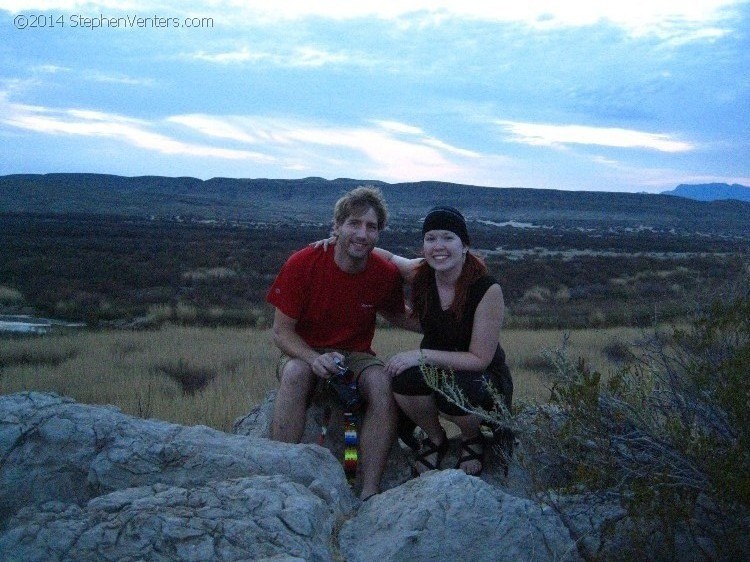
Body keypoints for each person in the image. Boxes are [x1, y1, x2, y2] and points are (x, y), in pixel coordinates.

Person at [266, 186, 408, 500]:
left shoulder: (383, 273)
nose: (362, 233)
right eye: (354, 224)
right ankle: (278, 477)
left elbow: (402, 316)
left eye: (371, 227)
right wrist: (313, 358)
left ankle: (367, 491)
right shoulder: (303, 263)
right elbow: (281, 332)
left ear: (379, 234)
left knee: (383, 384)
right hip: (305, 350)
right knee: (296, 374)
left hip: (356, 355)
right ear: (337, 227)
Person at [380, 206, 513, 477]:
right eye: (430, 238)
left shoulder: (487, 289)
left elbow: (479, 359)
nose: (438, 246)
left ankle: (472, 437)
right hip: (441, 368)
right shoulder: (422, 274)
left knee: (456, 388)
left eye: (447, 237)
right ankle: (435, 438)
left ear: (464, 245)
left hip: (482, 377)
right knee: (403, 378)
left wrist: (422, 355)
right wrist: (337, 241)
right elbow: (385, 256)